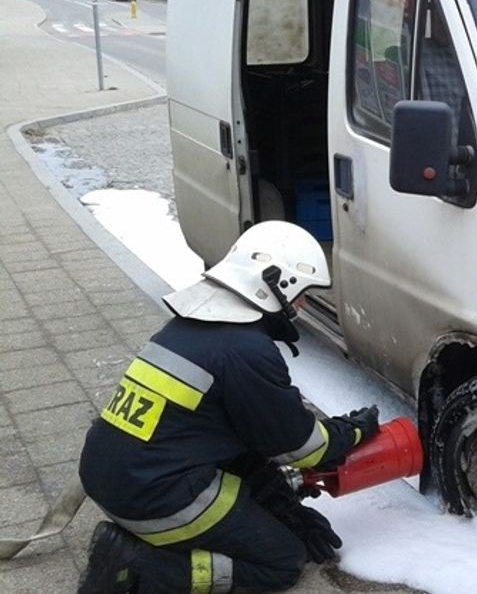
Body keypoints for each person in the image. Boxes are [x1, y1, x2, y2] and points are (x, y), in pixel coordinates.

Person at [77, 221, 381, 593]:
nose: (302, 305)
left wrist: (280, 505)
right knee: (281, 562)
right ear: (274, 284)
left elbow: (239, 435)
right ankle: (142, 569)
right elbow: (302, 446)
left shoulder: (188, 326)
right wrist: (350, 432)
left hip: (110, 473)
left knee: (263, 521)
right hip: (153, 497)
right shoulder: (246, 351)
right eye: (301, 293)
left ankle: (152, 543)